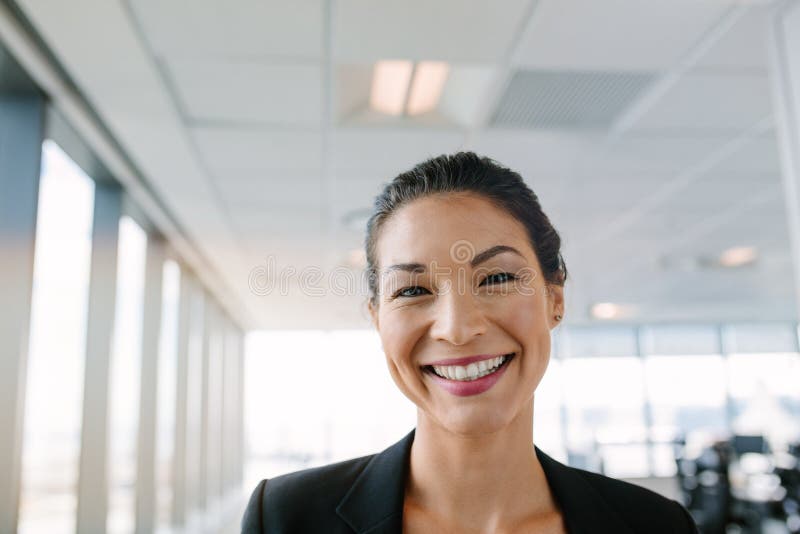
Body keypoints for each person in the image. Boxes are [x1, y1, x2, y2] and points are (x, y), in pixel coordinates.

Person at [241, 152, 698, 533]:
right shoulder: (286, 518)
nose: (457, 329)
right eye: (413, 290)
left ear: (553, 300)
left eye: (496, 278)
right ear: (378, 321)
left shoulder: (656, 525)